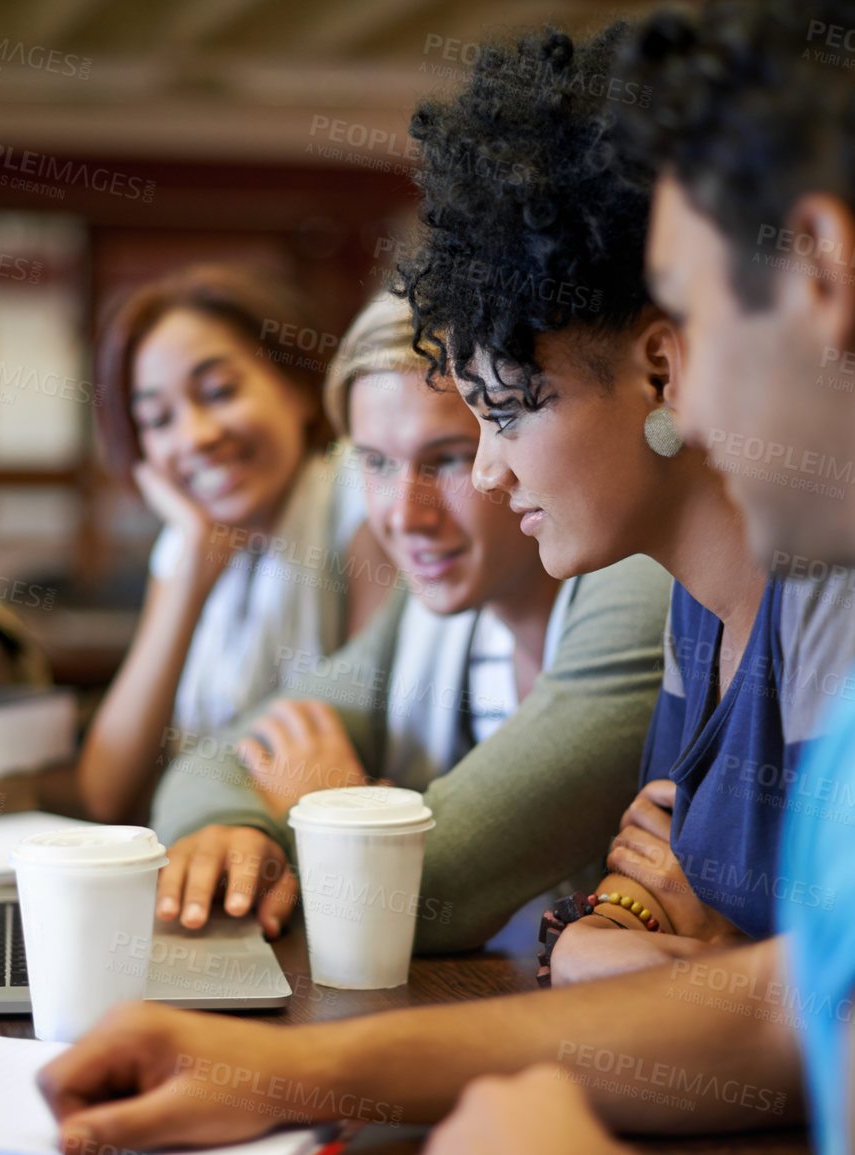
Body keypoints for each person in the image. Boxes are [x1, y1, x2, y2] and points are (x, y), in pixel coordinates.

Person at [38, 5, 855, 1154]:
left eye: (688, 312)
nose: (681, 393)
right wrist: (298, 1068)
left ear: (829, 275)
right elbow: (788, 1010)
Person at [146, 30, 855, 967]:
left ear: (661, 369)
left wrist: (691, 957)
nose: (491, 475)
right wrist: (634, 943)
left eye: (501, 415)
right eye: (370, 460)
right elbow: (621, 918)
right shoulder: (693, 608)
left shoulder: (805, 583)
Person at [148, 290, 672, 948]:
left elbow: (427, 889)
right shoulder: (429, 612)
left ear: (508, 435)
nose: (403, 513)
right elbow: (212, 763)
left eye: (446, 457)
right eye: (375, 461)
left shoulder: (641, 579)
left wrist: (327, 803)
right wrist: (233, 829)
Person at [76, 265, 388, 822]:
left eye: (218, 392)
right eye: (158, 419)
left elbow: (369, 741)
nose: (195, 436)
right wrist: (191, 568)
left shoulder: (362, 504)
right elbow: (105, 792)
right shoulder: (184, 544)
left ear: (299, 388)